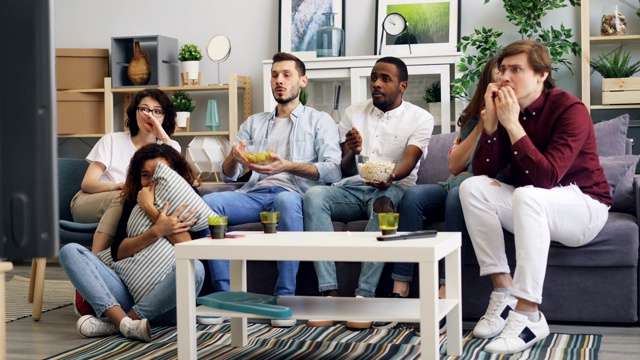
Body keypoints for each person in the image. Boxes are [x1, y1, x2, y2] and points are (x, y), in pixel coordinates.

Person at [459, 40, 611, 354]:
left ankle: (528, 314)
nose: (505, 77)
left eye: (516, 69)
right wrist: (490, 126)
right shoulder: (505, 109)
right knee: (471, 189)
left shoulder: (571, 110)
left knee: (529, 195)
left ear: (541, 75)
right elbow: (483, 171)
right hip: (532, 204)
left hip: (584, 207)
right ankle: (502, 293)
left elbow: (546, 178)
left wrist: (512, 124)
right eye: (503, 70)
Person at [201, 52, 342, 327]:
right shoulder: (254, 122)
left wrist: (287, 166)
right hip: (255, 194)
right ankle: (225, 296)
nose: (279, 80)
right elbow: (230, 175)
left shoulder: (319, 120)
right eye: (275, 75)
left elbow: (333, 169)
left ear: (302, 81)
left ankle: (284, 299)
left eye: (287, 75)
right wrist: (235, 157)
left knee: (287, 201)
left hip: (294, 195)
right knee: (211, 203)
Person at [303, 56, 434, 329]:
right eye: (374, 78)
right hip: (352, 189)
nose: (376, 84)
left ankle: (364, 296)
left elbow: (410, 160)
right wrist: (352, 149)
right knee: (314, 197)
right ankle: (329, 293)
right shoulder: (354, 112)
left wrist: (390, 177)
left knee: (383, 203)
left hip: (394, 189)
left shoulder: (420, 118)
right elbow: (344, 168)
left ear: (402, 86)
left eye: (385, 79)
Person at [374, 57, 502, 331]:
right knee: (414, 196)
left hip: (482, 191)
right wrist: (482, 121)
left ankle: (444, 296)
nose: (502, 83)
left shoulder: (518, 117)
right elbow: (454, 166)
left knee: (460, 195)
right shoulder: (472, 117)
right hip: (453, 183)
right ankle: (401, 289)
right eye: (496, 78)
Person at [60, 144, 206, 342]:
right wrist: (156, 230)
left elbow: (190, 249)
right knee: (70, 251)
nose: (152, 181)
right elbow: (117, 252)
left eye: (160, 173)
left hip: (170, 305)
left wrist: (152, 212)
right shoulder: (132, 200)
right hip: (128, 295)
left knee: (195, 268)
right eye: (145, 175)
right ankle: (127, 325)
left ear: (176, 173)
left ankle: (121, 323)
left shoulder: (189, 200)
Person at [70, 89, 181, 254]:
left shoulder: (171, 147)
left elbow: (177, 185)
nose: (149, 115)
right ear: (134, 112)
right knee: (125, 197)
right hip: (89, 202)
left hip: (134, 207)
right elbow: (87, 184)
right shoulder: (112, 140)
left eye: (157, 111)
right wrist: (117, 187)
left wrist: (164, 139)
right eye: (144, 109)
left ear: (165, 117)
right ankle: (96, 263)